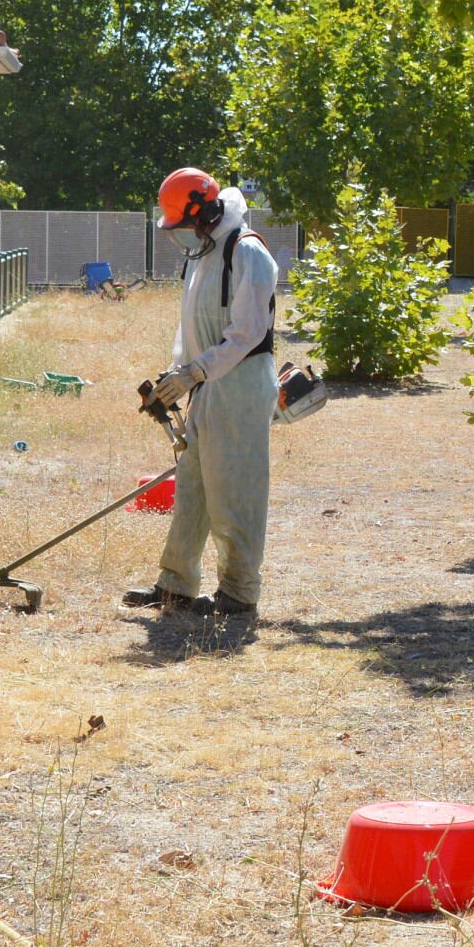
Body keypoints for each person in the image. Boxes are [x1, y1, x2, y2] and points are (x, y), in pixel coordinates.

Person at [125, 168, 280, 618]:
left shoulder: (247, 252)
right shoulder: (204, 255)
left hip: (241, 386)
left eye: (189, 223)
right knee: (192, 486)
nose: (186, 234)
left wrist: (196, 372)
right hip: (207, 384)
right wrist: (176, 373)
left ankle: (239, 592)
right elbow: (192, 326)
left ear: (207, 211)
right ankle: (175, 585)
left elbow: (248, 333)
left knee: (235, 491)